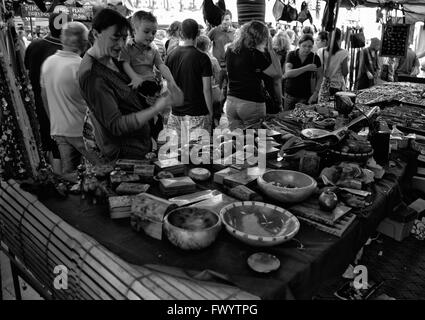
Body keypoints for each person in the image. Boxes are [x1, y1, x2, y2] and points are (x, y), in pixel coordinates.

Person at [79, 8, 183, 162]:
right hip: (120, 157)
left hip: (139, 148)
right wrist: (157, 107)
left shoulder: (111, 57)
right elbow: (116, 125)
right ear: (96, 34)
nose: (121, 44)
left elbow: (128, 94)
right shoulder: (92, 75)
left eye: (124, 38)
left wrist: (149, 99)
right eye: (115, 38)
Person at [40, 22, 99, 174]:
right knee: (100, 171)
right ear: (85, 42)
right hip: (81, 132)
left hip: (59, 130)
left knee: (70, 175)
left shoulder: (48, 63)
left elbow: (44, 96)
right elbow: (94, 102)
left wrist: (54, 121)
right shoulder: (80, 66)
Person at [24, 13, 64, 174]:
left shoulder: (34, 45)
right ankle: (59, 175)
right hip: (57, 103)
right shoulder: (66, 49)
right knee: (57, 140)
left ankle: (49, 172)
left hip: (37, 99)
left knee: (45, 137)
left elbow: (26, 70)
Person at [224, 20, 283, 129]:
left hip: (231, 101)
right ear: (262, 37)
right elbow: (277, 74)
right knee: (253, 142)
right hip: (251, 103)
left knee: (236, 142)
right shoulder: (256, 54)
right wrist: (270, 49)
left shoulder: (230, 50)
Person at [165, 18, 213, 137]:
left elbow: (168, 86)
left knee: (177, 153)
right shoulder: (203, 58)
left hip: (176, 113)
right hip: (198, 113)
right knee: (198, 154)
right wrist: (211, 112)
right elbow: (207, 89)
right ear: (197, 34)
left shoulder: (170, 56)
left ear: (180, 33)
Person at [120, 11, 176, 94]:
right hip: (135, 87)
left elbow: (162, 66)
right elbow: (125, 65)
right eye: (146, 32)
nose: (151, 36)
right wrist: (134, 77)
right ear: (134, 31)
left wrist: (171, 81)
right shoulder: (127, 48)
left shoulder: (153, 50)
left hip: (150, 85)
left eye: (153, 33)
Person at [283, 34, 323, 110]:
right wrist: (306, 68)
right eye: (304, 46)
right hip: (290, 94)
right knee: (286, 118)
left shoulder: (315, 58)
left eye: (310, 46)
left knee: (303, 119)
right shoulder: (292, 55)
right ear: (299, 45)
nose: (307, 49)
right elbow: (288, 73)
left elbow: (320, 77)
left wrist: (315, 93)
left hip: (306, 96)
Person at [208, 10, 235, 117]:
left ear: (231, 20)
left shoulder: (235, 32)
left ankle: (223, 110)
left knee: (229, 90)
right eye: (223, 20)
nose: (224, 22)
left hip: (231, 66)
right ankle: (216, 112)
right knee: (217, 89)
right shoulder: (215, 31)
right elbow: (204, 41)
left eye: (227, 19)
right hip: (217, 66)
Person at [196, 34, 221, 124]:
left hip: (197, 92)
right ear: (208, 46)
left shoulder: (193, 58)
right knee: (215, 116)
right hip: (213, 91)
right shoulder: (212, 60)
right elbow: (218, 77)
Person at [317, 28, 349, 96]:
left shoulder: (320, 51)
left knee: (323, 105)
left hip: (322, 86)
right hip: (337, 86)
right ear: (340, 38)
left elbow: (318, 70)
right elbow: (345, 72)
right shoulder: (344, 53)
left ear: (328, 37)